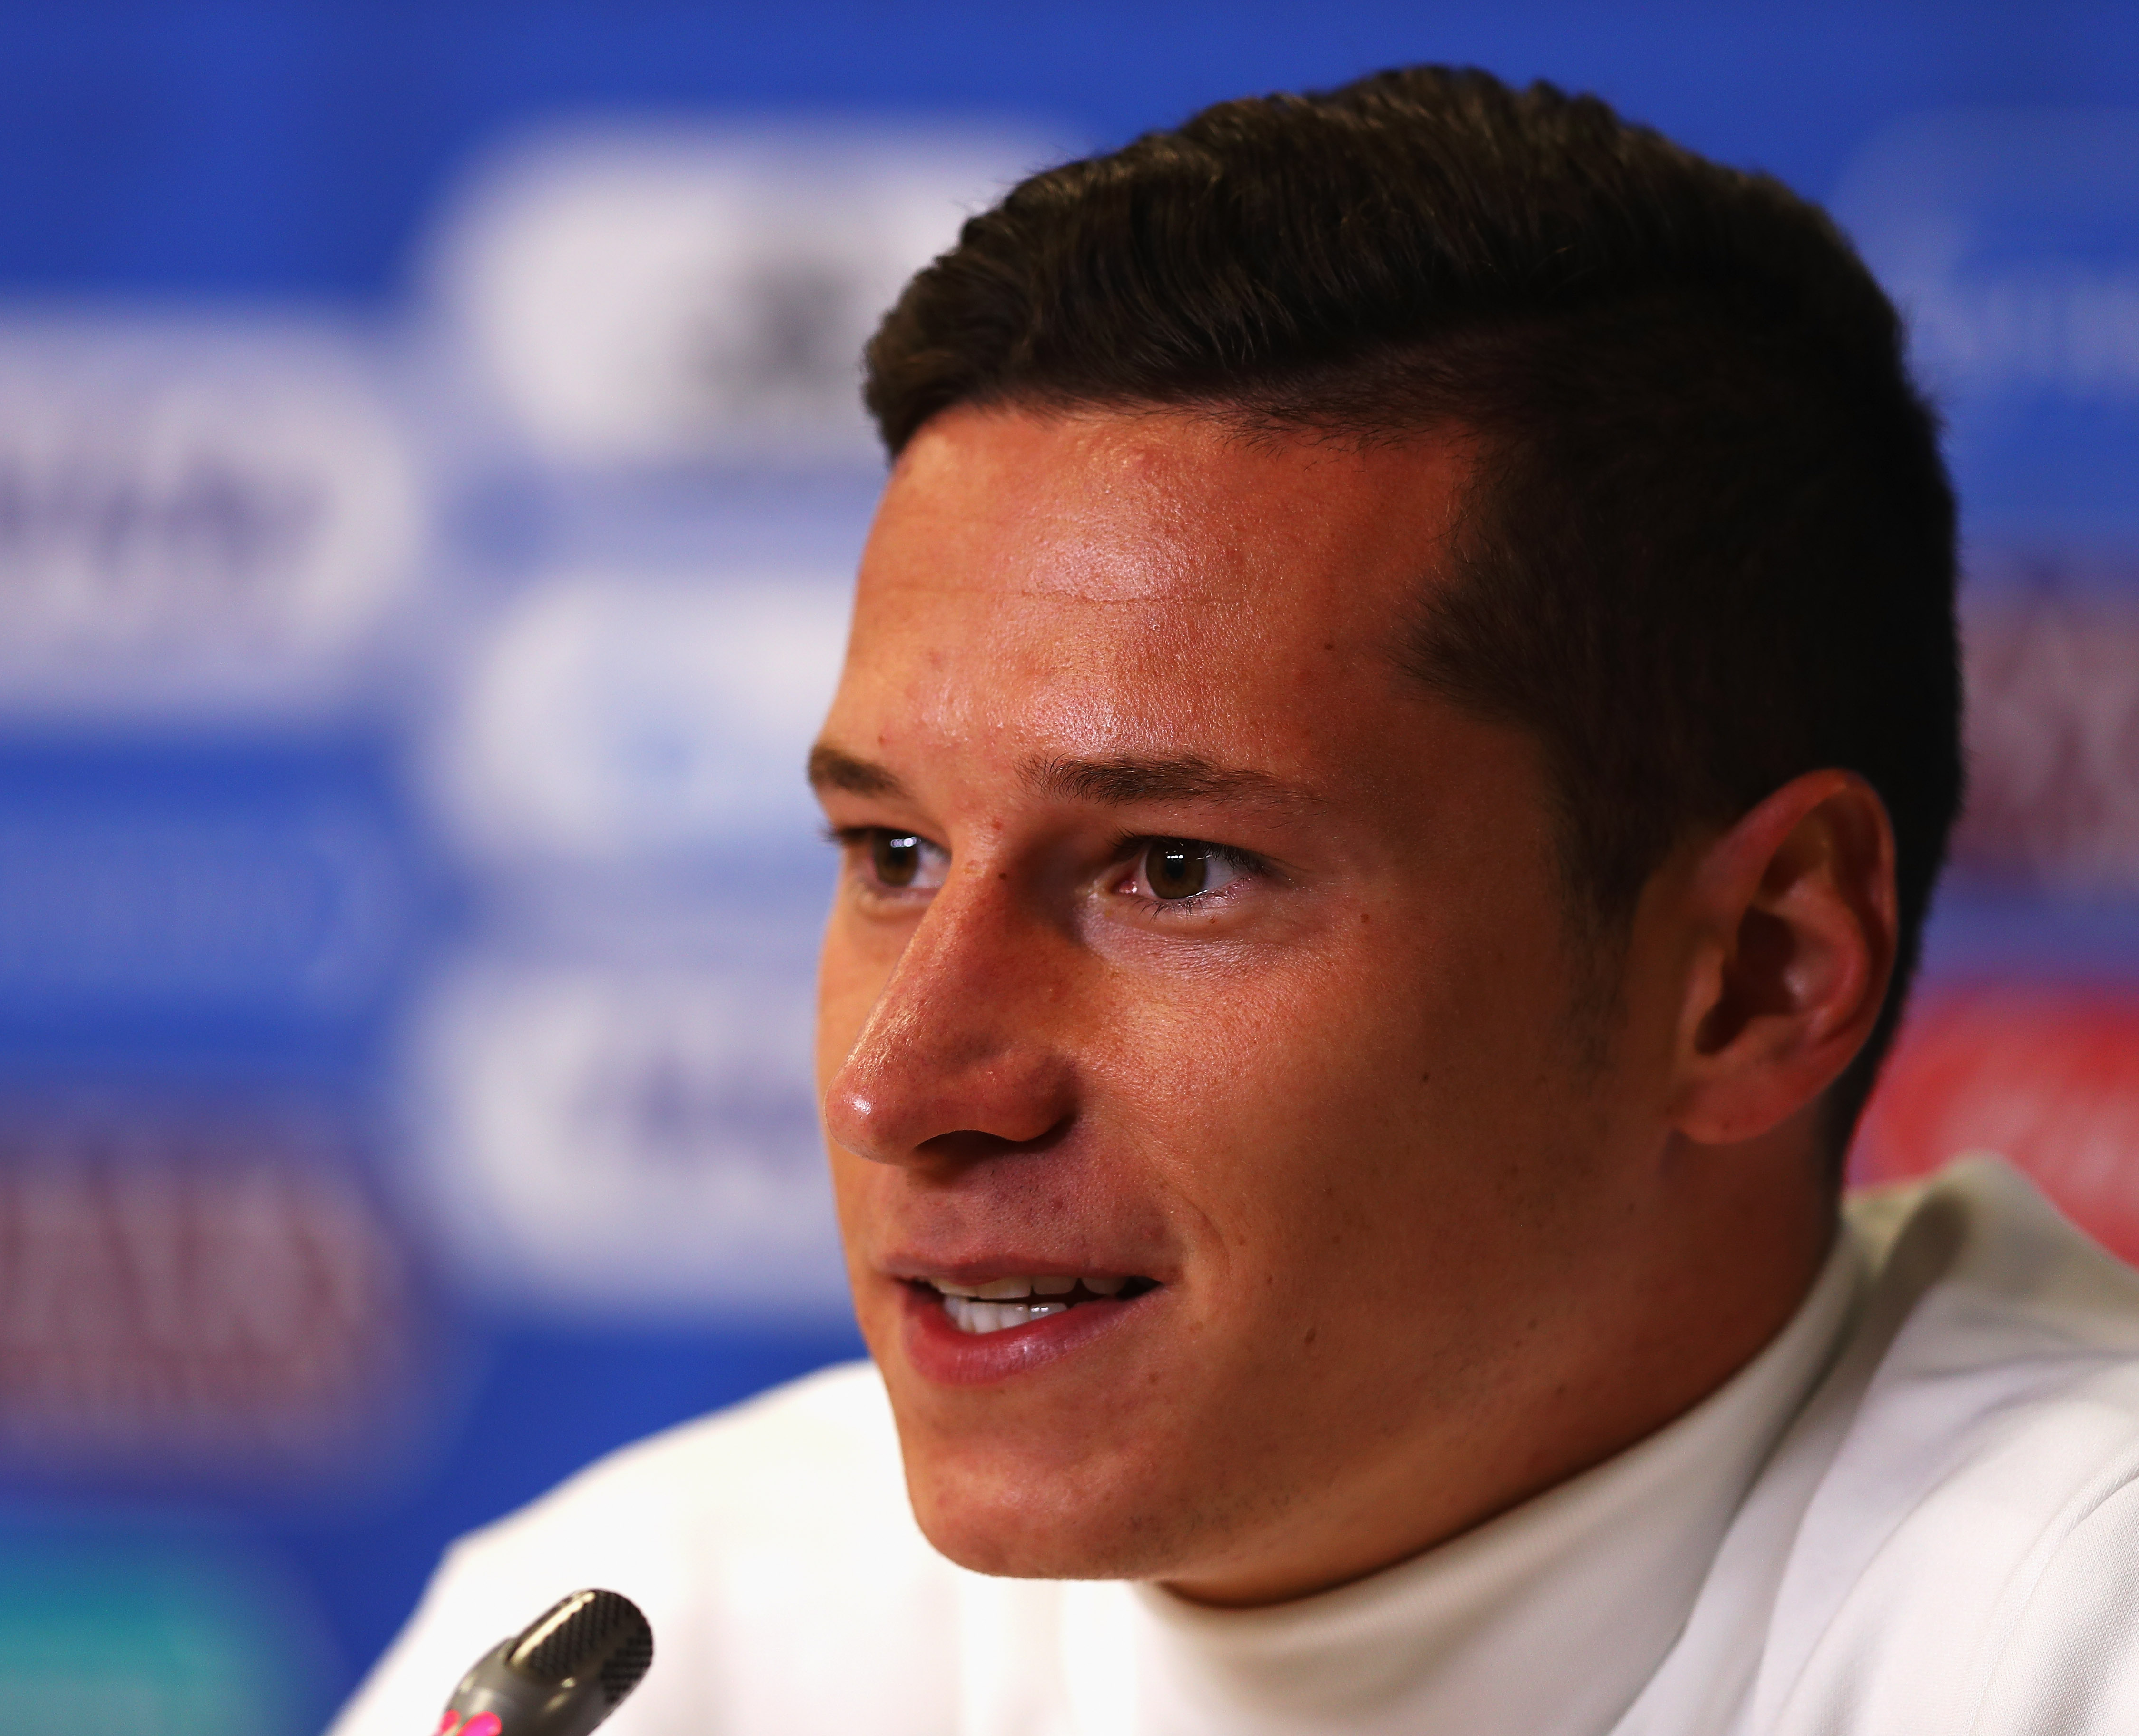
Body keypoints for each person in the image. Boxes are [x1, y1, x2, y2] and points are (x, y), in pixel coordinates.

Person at [334, 66, 2139, 1736]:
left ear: (1756, 973)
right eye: (893, 857)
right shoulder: (648, 1649)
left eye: (1173, 872)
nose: (905, 1087)